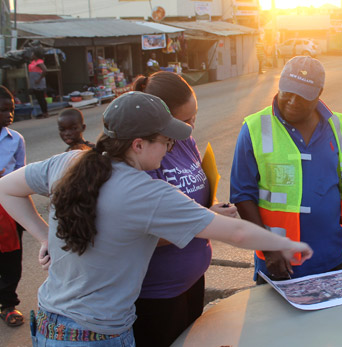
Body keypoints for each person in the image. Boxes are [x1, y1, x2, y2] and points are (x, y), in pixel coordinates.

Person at [0, 91, 312, 346]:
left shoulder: (71, 160)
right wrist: (288, 243)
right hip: (96, 336)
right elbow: (236, 233)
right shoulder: (147, 193)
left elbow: (6, 189)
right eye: (166, 142)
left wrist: (44, 238)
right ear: (138, 145)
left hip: (49, 327)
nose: (169, 149)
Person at [230, 56, 342, 284]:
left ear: (319, 93)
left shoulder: (334, 125)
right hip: (281, 261)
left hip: (331, 253)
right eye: (287, 92)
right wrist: (269, 250)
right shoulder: (254, 129)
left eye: (302, 95)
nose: (292, 100)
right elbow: (242, 196)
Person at [131, 71, 238, 346]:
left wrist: (210, 209)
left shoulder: (185, 141)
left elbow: (193, 204)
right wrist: (207, 219)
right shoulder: (143, 157)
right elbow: (141, 233)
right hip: (158, 293)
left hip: (192, 279)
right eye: (184, 120)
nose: (192, 126)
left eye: (195, 117)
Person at [0, 86, 26, 327]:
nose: (8, 114)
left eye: (11, 109)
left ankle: (8, 304)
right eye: (2, 110)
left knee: (11, 257)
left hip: (8, 207)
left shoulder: (15, 139)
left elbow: (21, 174)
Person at [28, 49, 49, 119]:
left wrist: (39, 79)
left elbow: (45, 70)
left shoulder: (39, 62)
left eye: (33, 54)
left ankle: (45, 112)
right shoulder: (33, 62)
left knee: (41, 98)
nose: (32, 55)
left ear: (36, 55)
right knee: (38, 97)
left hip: (38, 82)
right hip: (34, 82)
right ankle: (43, 112)